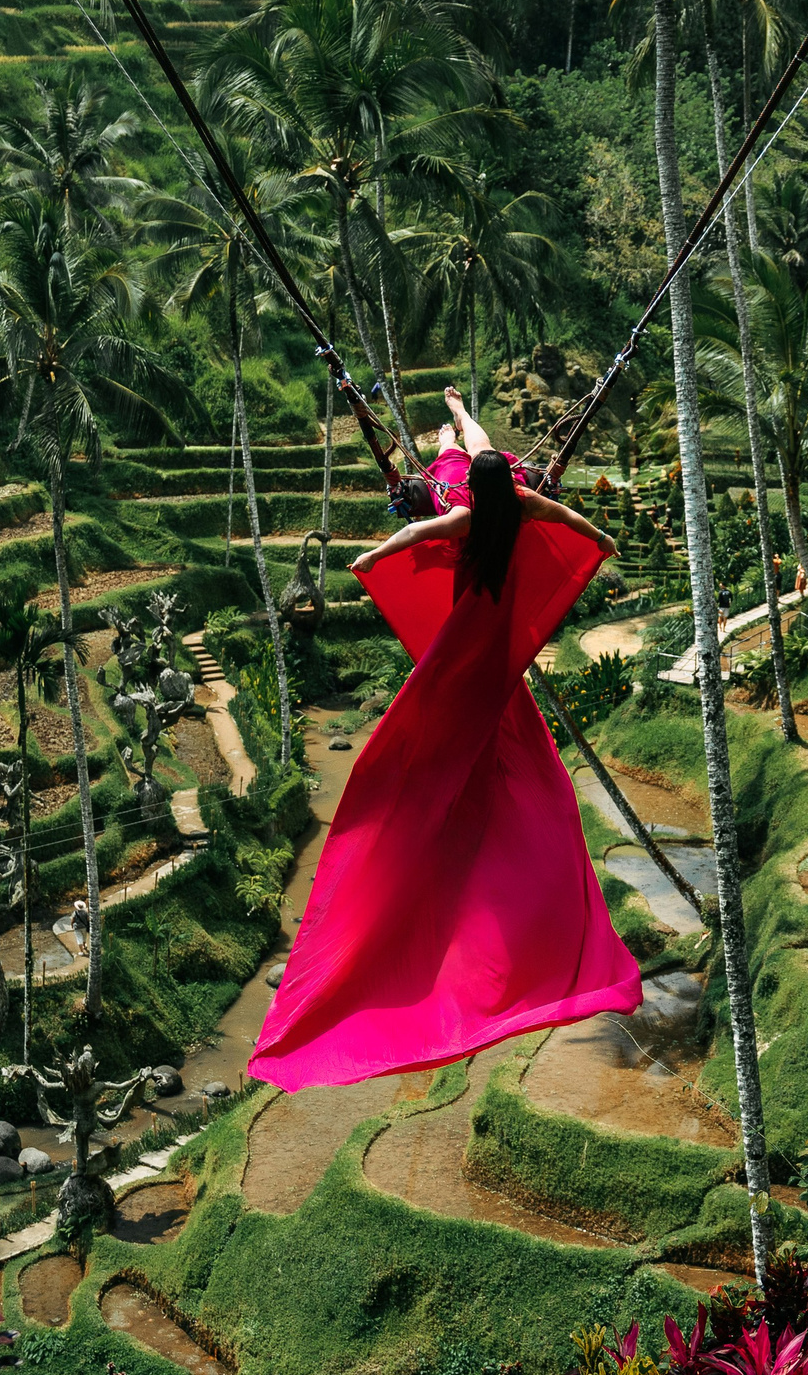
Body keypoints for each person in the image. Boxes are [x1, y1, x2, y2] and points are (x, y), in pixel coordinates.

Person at [250, 447, 637, 1090]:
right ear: (505, 486)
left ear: (473, 490)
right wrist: (601, 539)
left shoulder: (467, 516)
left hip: (464, 633)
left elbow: (414, 531)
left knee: (441, 707)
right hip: (499, 637)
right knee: (486, 713)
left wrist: (372, 560)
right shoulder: (519, 506)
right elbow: (566, 516)